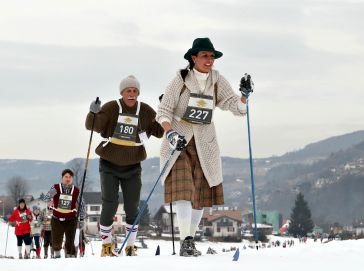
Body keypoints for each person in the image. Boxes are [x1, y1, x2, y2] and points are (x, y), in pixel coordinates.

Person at [156, 38, 249, 257]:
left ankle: (190, 239)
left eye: (212, 56)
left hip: (205, 143)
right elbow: (164, 110)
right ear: (194, 58)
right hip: (179, 141)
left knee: (199, 194)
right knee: (184, 191)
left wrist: (245, 96)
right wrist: (170, 133)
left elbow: (234, 106)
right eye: (205, 56)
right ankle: (184, 240)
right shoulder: (180, 80)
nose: (210, 60)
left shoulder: (217, 81)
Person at [85, 75, 164, 256]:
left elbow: (160, 131)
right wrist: (93, 112)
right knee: (110, 204)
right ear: (122, 92)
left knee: (132, 206)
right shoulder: (112, 107)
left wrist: (164, 111)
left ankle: (130, 246)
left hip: (132, 166)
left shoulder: (144, 110)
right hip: (109, 164)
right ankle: (106, 245)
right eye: (128, 90)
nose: (132, 94)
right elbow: (92, 126)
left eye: (135, 91)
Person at [43, 169, 85, 258]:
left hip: (71, 219)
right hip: (57, 219)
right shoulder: (56, 188)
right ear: (62, 178)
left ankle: (70, 256)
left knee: (71, 240)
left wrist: (81, 219)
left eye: (70, 177)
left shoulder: (76, 190)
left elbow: (82, 205)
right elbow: (46, 198)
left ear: (72, 179)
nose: (68, 179)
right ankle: (57, 255)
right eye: (66, 177)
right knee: (57, 239)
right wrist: (50, 200)